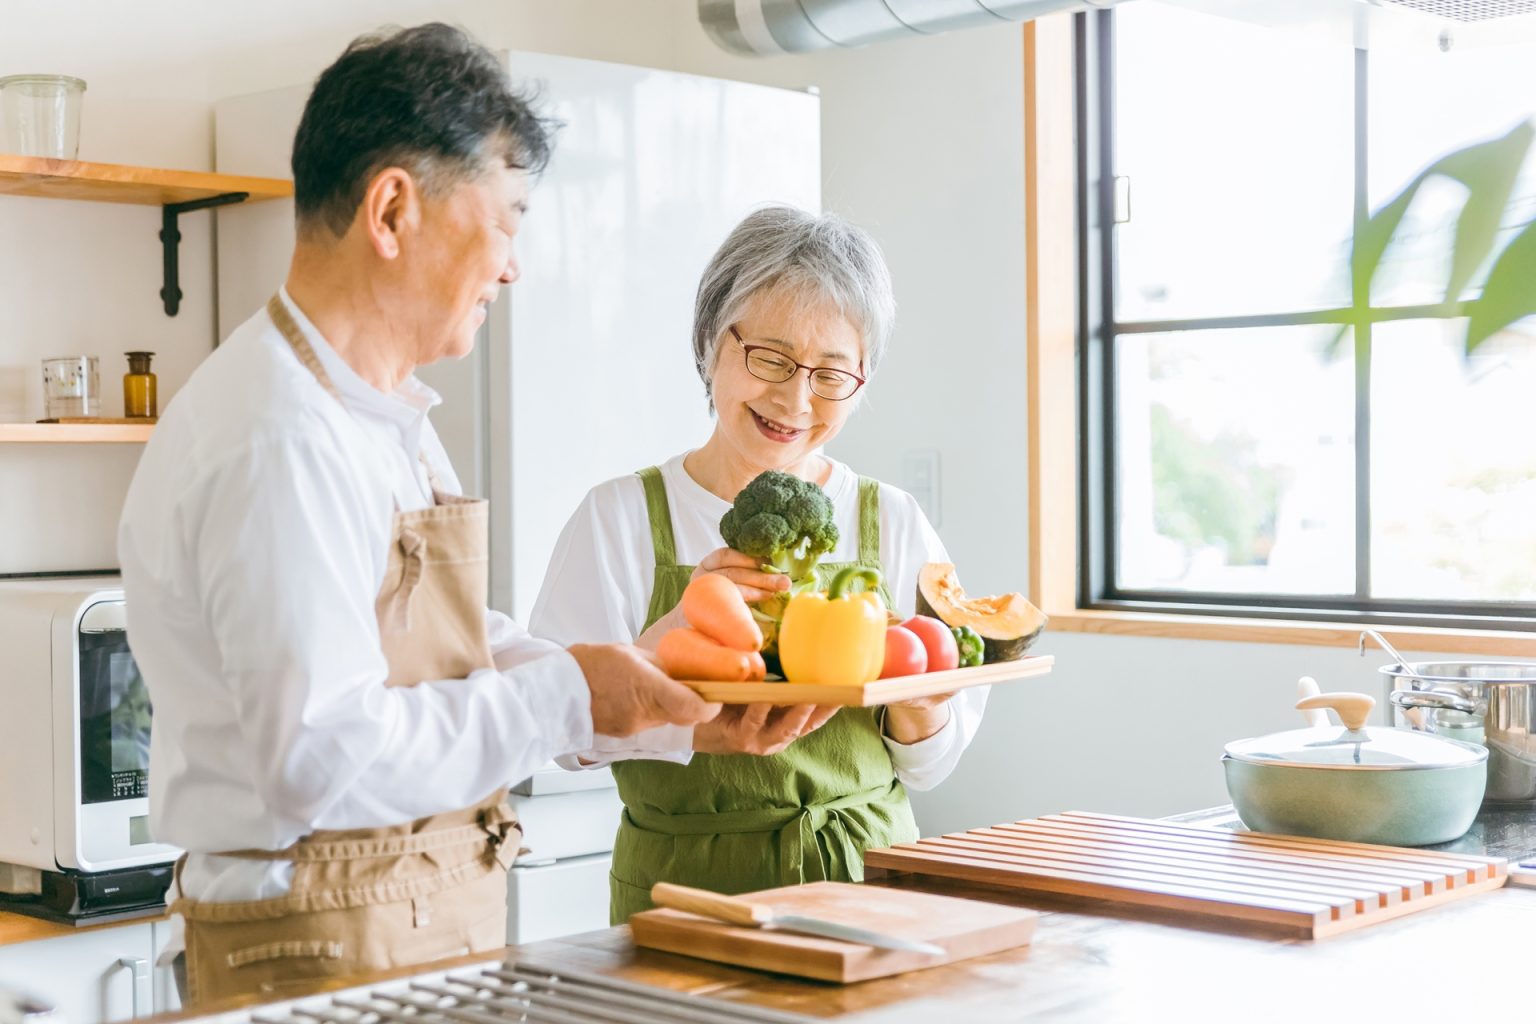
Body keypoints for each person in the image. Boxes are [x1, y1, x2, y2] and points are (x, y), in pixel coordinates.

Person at [116, 23, 718, 1005]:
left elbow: (452, 644)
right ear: (392, 209)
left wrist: (649, 695)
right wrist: (572, 693)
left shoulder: (371, 410)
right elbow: (322, 755)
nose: (515, 267)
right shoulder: (279, 438)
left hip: (404, 920)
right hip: (309, 948)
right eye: (510, 219)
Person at [530, 206, 988, 921]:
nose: (794, 399)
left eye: (832, 376)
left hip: (864, 883)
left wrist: (921, 706)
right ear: (712, 340)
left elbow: (932, 768)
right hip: (680, 893)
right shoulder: (618, 516)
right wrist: (666, 642)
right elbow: (558, 739)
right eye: (770, 359)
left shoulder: (892, 521)